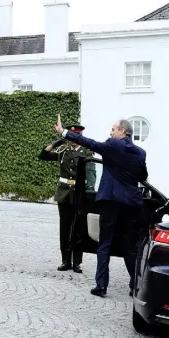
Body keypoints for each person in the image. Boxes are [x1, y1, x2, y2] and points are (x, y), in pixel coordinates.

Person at [55, 115, 148, 297]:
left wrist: (64, 132)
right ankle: (134, 286)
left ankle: (101, 286)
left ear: (122, 131)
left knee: (104, 244)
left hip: (110, 203)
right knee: (130, 247)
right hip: (131, 204)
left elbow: (90, 143)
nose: (110, 132)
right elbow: (143, 177)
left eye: (113, 129)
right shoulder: (140, 153)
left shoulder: (113, 145)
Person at [39, 124, 97, 273]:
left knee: (78, 228)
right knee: (64, 228)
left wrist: (89, 193)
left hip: (78, 194)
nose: (73, 141)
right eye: (71, 137)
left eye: (75, 137)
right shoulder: (63, 150)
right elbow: (43, 156)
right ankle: (66, 261)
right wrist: (56, 142)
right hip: (64, 193)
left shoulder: (87, 152)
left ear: (80, 137)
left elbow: (91, 173)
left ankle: (77, 262)